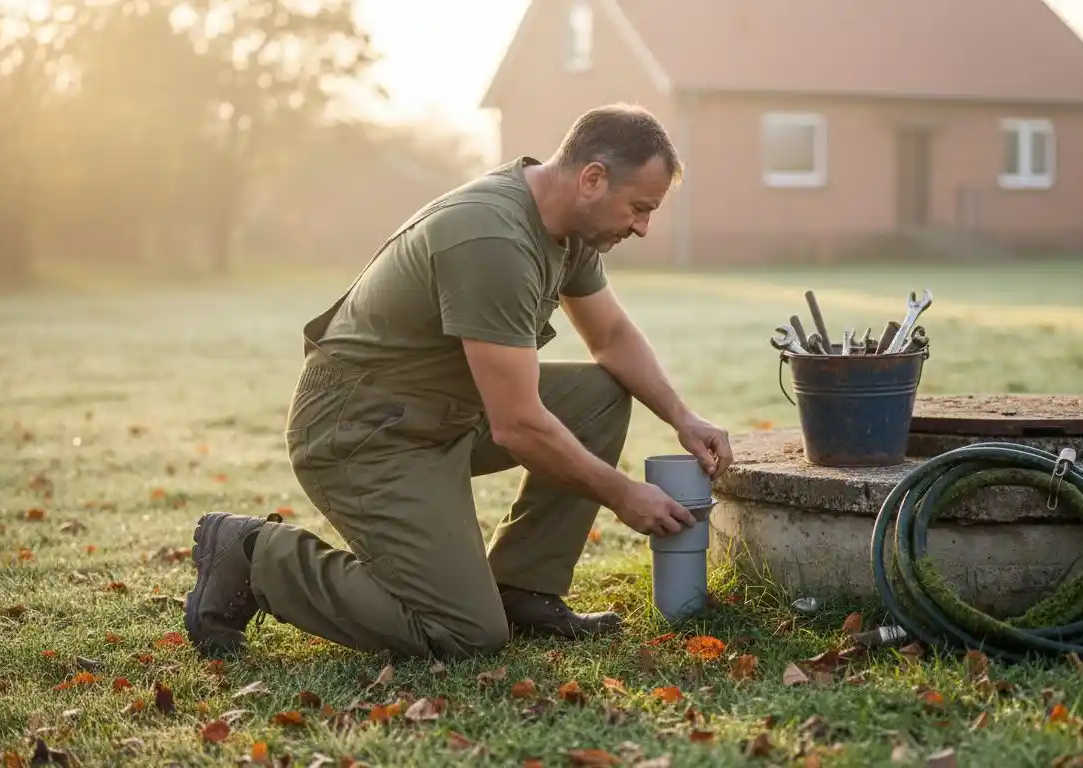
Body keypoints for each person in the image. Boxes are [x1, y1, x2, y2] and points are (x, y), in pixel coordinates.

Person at [182, 104, 733, 661]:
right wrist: (622, 495)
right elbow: (518, 425)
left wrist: (684, 418)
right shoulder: (492, 239)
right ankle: (255, 557)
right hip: (361, 428)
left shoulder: (571, 228)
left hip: (440, 409)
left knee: (599, 396)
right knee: (463, 631)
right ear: (592, 179)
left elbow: (610, 335)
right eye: (639, 208)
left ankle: (524, 590)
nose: (642, 226)